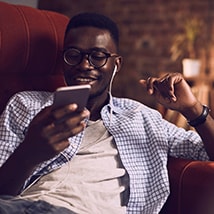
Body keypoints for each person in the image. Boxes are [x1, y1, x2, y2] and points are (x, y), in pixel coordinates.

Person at [0, 12, 214, 214]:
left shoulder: (141, 117)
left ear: (116, 64)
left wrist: (192, 109)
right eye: (73, 55)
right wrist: (28, 153)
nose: (84, 65)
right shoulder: (25, 105)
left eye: (98, 56)